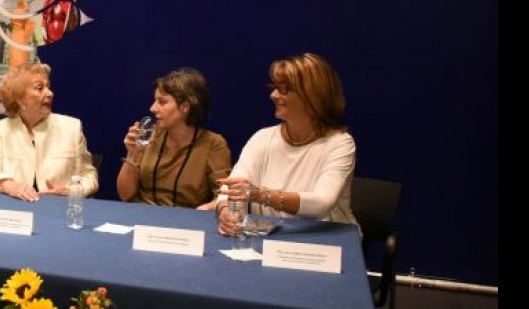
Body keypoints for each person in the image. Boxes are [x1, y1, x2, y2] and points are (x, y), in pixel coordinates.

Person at [202, 52, 358, 234]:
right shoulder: (262, 138)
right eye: (274, 87)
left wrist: (261, 195)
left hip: (328, 245)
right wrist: (226, 211)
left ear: (313, 95)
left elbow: (321, 203)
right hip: (272, 241)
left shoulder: (340, 144)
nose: (273, 95)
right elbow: (234, 186)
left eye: (284, 89)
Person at [0, 62, 98, 201]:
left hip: (59, 209)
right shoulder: (0, 130)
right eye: (40, 88)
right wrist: (9, 186)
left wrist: (71, 191)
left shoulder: (71, 128)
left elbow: (89, 176)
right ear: (19, 98)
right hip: (16, 212)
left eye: (48, 87)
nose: (50, 93)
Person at [116, 68, 230, 208]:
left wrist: (207, 208)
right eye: (154, 101)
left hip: (185, 220)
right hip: (143, 216)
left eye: (162, 102)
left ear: (185, 106)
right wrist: (132, 153)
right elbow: (125, 195)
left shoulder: (213, 144)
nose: (152, 108)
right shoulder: (149, 135)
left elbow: (224, 196)